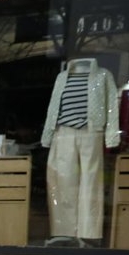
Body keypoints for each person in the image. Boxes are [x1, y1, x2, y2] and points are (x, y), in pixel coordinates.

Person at [39, 58, 120, 245]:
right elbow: (53, 107)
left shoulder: (103, 75)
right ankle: (65, 231)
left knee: (91, 183)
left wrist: (112, 136)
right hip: (64, 132)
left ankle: (89, 233)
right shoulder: (62, 77)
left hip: (92, 132)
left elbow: (111, 107)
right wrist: (48, 135)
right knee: (63, 182)